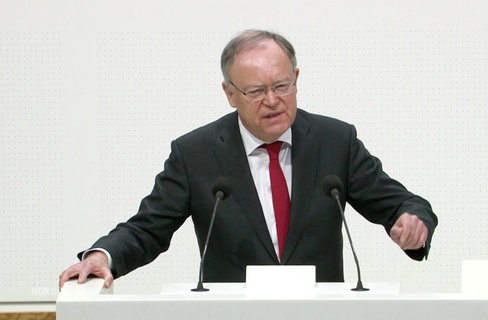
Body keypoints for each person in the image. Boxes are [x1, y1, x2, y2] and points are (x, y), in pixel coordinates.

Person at [59, 29, 438, 289]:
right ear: (230, 93)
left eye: (282, 86)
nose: (273, 100)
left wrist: (412, 220)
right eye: (256, 90)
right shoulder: (196, 153)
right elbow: (147, 228)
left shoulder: (334, 141)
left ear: (297, 78)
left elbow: (401, 203)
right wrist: (103, 254)